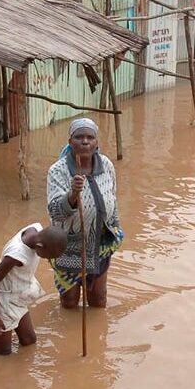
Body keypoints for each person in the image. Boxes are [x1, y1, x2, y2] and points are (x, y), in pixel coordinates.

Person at [46, 117, 124, 310]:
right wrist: (72, 194)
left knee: (98, 300)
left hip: (100, 243)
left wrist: (115, 228)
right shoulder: (58, 171)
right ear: (70, 141)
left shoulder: (106, 165)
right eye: (79, 137)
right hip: (68, 245)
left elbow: (112, 199)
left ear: (96, 142)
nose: (85, 141)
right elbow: (55, 212)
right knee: (70, 302)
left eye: (90, 137)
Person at [0, 222, 68, 356]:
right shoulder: (16, 255)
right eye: (48, 257)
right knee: (3, 352)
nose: (48, 260)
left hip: (18, 295)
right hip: (2, 301)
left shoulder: (36, 229)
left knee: (29, 340)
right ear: (40, 247)